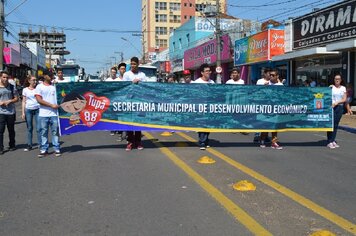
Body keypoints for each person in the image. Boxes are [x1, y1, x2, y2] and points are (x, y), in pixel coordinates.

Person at [123, 57, 147, 151]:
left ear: (138, 64)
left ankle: (138, 142)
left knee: (138, 123)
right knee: (129, 123)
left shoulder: (142, 75)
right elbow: (123, 87)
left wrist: (140, 82)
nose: (133, 65)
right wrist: (131, 83)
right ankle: (130, 142)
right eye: (131, 64)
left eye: (134, 64)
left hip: (139, 101)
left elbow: (147, 86)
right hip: (129, 102)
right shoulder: (126, 74)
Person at [35, 74, 61, 157]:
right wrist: (51, 105)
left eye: (52, 75)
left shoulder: (55, 86)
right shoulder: (39, 86)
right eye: (50, 75)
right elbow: (39, 100)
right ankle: (44, 150)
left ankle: (56, 148)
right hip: (43, 114)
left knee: (55, 132)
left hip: (54, 114)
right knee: (43, 132)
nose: (51, 76)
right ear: (45, 76)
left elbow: (62, 96)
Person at [192, 63, 214, 150]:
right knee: (202, 124)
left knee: (208, 125)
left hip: (209, 107)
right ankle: (202, 142)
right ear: (202, 72)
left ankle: (206, 140)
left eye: (209, 71)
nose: (209, 72)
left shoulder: (212, 82)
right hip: (200, 107)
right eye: (207, 71)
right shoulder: (197, 82)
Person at [260, 69, 283, 150]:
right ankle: (262, 140)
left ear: (277, 76)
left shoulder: (280, 85)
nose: (271, 76)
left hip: (276, 108)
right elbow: (261, 95)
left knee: (275, 126)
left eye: (273, 75)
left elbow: (282, 97)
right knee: (265, 125)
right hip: (267, 108)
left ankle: (274, 142)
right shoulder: (266, 84)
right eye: (270, 75)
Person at [0, 71, 19, 154]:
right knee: (0, 130)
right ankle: (1, 148)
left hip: (10, 112)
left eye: (7, 77)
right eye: (4, 77)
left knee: (11, 130)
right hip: (1, 112)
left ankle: (12, 145)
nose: (5, 79)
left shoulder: (11, 87)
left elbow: (17, 98)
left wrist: (10, 101)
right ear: (0, 77)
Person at [326, 74, 347, 149]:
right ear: (334, 80)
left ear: (341, 80)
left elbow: (344, 99)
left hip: (339, 107)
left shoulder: (343, 88)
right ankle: (329, 141)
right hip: (332, 108)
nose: (337, 80)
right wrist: (328, 89)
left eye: (338, 79)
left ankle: (333, 140)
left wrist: (337, 102)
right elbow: (326, 95)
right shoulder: (331, 87)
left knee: (336, 124)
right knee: (331, 124)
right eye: (335, 79)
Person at [21, 75, 41, 151]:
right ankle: (29, 145)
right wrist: (23, 112)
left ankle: (40, 144)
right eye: (33, 80)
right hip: (28, 110)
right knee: (29, 128)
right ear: (29, 81)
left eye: (35, 80)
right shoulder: (25, 90)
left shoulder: (38, 89)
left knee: (39, 128)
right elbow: (23, 101)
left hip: (37, 110)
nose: (35, 82)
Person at [253, 68, 271, 143]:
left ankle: (265, 136)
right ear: (265, 74)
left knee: (267, 121)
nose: (270, 75)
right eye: (269, 74)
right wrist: (264, 85)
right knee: (259, 119)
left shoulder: (272, 81)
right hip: (261, 103)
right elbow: (257, 91)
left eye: (271, 74)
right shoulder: (260, 81)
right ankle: (257, 136)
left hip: (269, 104)